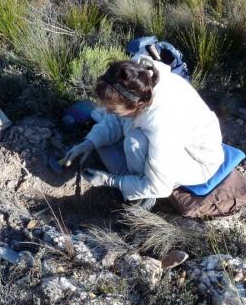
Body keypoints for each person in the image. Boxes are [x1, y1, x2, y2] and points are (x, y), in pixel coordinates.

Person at [64, 56, 224, 209]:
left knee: (134, 142)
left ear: (139, 104)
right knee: (102, 141)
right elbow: (115, 120)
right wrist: (88, 143)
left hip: (196, 160)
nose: (108, 111)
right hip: (173, 137)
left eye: (113, 109)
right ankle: (130, 178)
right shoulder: (135, 80)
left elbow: (160, 186)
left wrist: (111, 181)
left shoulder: (165, 124)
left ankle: (142, 199)